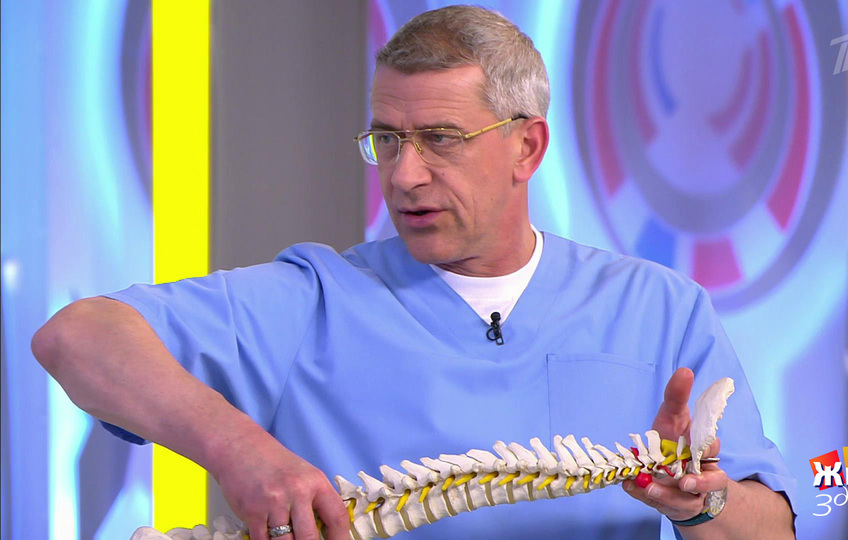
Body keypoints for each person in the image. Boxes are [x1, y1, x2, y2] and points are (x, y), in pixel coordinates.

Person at [32, 5, 796, 540]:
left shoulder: (657, 309)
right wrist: (240, 451)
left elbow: (772, 531)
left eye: (440, 139)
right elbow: (77, 337)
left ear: (527, 148)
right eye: (388, 141)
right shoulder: (313, 300)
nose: (403, 176)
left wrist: (698, 503)